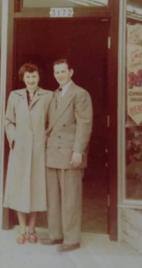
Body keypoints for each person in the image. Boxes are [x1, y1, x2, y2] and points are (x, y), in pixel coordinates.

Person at [41, 59, 93, 252]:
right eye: (56, 73)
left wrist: (78, 151)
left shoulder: (80, 94)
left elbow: (84, 125)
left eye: (63, 72)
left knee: (70, 199)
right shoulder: (54, 95)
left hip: (70, 153)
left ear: (71, 71)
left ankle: (72, 239)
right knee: (52, 198)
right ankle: (56, 235)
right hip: (52, 152)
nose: (60, 76)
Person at [3, 63, 52, 245]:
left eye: (34, 76)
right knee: (19, 188)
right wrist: (14, 138)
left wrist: (45, 138)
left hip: (39, 150)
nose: (31, 80)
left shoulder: (48, 96)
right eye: (27, 77)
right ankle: (22, 228)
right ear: (23, 79)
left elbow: (52, 122)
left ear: (39, 77)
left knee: (36, 188)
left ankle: (32, 228)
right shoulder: (15, 96)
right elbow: (8, 120)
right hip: (20, 150)